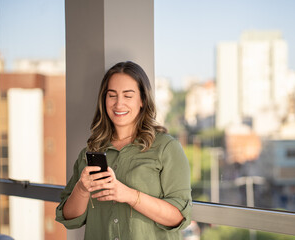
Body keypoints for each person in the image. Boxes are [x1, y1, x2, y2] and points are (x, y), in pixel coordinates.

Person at [55, 61, 192, 239]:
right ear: (104, 100)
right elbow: (69, 218)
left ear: (142, 100)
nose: (119, 104)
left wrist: (128, 195)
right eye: (112, 95)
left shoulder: (166, 148)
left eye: (128, 96)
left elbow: (179, 217)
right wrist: (81, 189)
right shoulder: (91, 151)